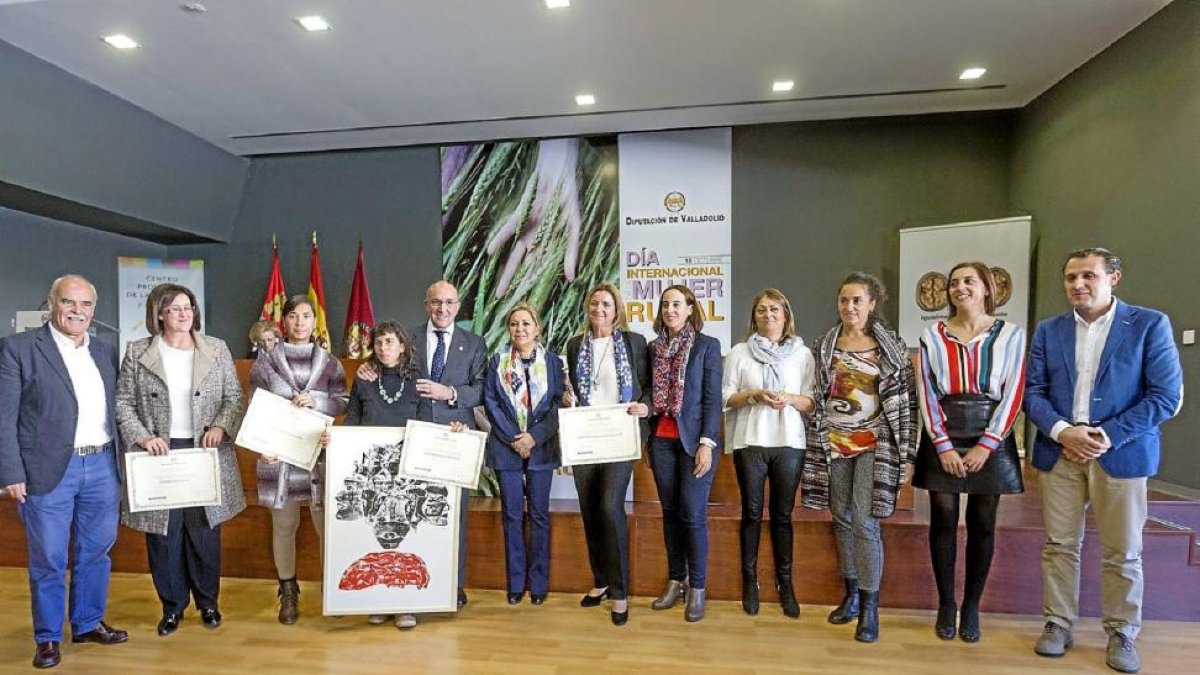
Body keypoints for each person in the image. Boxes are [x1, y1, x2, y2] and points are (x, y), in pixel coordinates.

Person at [1025, 248, 1182, 673]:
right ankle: (1057, 624)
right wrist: (1064, 432)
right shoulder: (1048, 330)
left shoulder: (1149, 324)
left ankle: (1122, 632)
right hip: (1059, 452)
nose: (1078, 284)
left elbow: (1166, 397)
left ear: (1113, 277)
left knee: (1123, 552)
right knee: (1059, 546)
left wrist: (1104, 436)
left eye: (1088, 276)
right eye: (1071, 277)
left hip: (1123, 453)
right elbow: (1032, 392)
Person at [0, 275, 128, 669]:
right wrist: (10, 472)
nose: (78, 311)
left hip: (103, 465)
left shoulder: (105, 350)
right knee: (49, 557)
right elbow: (4, 417)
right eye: (69, 302)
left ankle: (88, 622)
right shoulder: (18, 349)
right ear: (52, 303)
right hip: (48, 470)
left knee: (96, 551)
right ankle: (48, 637)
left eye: (86, 304)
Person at [114, 283, 245, 637]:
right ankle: (172, 607)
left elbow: (234, 396)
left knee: (204, 532)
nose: (184, 314)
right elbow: (123, 402)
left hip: (205, 450)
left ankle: (209, 603)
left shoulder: (216, 348)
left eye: (188, 307)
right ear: (159, 314)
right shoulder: (138, 351)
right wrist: (142, 437)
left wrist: (220, 426)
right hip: (159, 452)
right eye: (174, 308)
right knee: (164, 534)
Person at [912, 263, 1026, 643]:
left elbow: (1014, 393)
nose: (960, 287)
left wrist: (988, 444)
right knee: (942, 518)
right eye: (954, 282)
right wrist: (941, 443)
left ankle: (972, 606)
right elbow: (926, 392)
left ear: (986, 288)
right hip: (944, 427)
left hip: (989, 429)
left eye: (968, 281)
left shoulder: (1011, 335)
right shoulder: (931, 335)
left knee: (983, 520)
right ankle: (947, 603)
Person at [357, 280, 486, 610]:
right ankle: (414, 587)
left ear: (458, 307)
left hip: (455, 438)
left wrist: (451, 393)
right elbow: (385, 366)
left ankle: (452, 587)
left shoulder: (474, 344)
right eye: (435, 302)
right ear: (425, 305)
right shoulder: (407, 338)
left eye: (449, 303)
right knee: (413, 516)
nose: (442, 309)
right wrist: (368, 365)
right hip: (412, 441)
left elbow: (481, 390)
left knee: (453, 517)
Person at [803, 272, 917, 643]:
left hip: (875, 444)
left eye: (857, 300)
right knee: (841, 517)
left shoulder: (892, 349)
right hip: (832, 444)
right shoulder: (824, 346)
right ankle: (851, 595)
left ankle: (870, 608)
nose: (849, 307)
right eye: (843, 300)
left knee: (866, 522)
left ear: (871, 304)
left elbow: (907, 405)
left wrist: (909, 455)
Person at [249, 294, 348, 624]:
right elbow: (254, 408)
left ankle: (329, 591)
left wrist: (317, 401)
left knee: (325, 527)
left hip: (318, 453)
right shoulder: (265, 362)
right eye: (293, 316)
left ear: (314, 321)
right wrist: (261, 445)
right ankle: (288, 592)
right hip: (279, 456)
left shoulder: (330, 362)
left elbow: (343, 401)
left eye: (306, 316)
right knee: (284, 525)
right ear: (284, 321)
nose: (300, 322)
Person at [722, 288, 815, 618]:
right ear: (754, 316)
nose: (768, 315)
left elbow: (811, 401)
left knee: (783, 516)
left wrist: (789, 398)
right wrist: (754, 396)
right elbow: (725, 398)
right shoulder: (739, 353)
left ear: (786, 315)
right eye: (761, 310)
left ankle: (785, 583)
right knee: (751, 513)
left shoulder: (802, 354)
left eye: (774, 309)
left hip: (789, 442)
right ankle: (750, 582)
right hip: (751, 442)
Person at [563, 283, 650, 626]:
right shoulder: (575, 346)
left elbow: (647, 387)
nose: (600, 308)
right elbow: (575, 390)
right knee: (589, 510)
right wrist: (568, 400)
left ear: (617, 310)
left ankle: (619, 591)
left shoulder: (634, 343)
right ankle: (599, 580)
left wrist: (647, 407)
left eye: (607, 304)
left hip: (620, 436)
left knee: (610, 507)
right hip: (585, 436)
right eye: (595, 302)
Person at [646, 284, 723, 623]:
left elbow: (711, 400)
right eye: (665, 305)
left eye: (677, 304)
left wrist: (707, 442)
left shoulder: (707, 346)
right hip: (662, 441)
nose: (670, 310)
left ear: (691, 308)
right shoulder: (653, 348)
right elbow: (649, 392)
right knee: (670, 514)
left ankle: (699, 587)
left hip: (695, 444)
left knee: (692, 515)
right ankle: (677, 580)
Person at [483, 303, 565, 606]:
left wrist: (534, 437)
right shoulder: (497, 362)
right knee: (512, 516)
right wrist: (516, 439)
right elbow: (490, 402)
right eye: (515, 324)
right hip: (507, 450)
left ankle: (539, 584)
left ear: (537, 328)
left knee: (540, 516)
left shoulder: (554, 363)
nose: (520, 329)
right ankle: (516, 583)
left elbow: (558, 404)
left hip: (541, 449)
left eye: (526, 323)